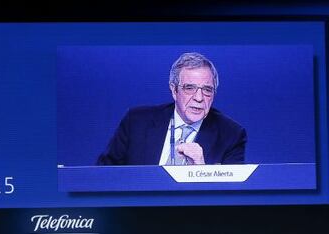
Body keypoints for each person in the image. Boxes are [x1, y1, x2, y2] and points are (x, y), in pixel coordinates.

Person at [97, 52, 247, 166]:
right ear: (174, 90)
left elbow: (229, 196)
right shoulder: (136, 122)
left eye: (207, 90)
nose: (199, 98)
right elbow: (103, 175)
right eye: (190, 88)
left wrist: (202, 170)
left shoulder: (231, 134)